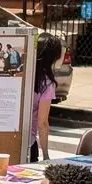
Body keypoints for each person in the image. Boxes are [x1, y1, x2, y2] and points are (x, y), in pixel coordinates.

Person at [30, 34, 62, 163]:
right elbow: (42, 123)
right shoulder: (47, 83)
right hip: (28, 143)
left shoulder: (23, 75)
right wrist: (46, 155)